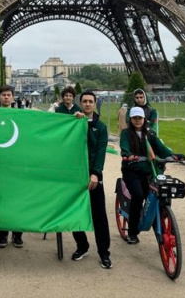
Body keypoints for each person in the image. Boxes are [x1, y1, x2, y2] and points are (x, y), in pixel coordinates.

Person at [120, 107, 179, 245]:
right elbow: (124, 147)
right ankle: (132, 232)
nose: (137, 121)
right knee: (138, 196)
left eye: (139, 118)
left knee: (156, 196)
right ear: (130, 119)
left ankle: (162, 229)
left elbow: (161, 148)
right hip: (132, 171)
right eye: (134, 118)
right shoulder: (126, 134)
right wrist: (128, 155)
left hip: (149, 171)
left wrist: (173, 156)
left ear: (144, 119)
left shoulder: (150, 134)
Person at [71, 90, 112, 269]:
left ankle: (104, 252)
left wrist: (96, 173)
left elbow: (101, 152)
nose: (87, 104)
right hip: (75, 174)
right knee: (74, 211)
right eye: (85, 101)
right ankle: (82, 245)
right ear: (81, 103)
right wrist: (74, 122)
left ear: (95, 104)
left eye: (90, 101)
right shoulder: (74, 122)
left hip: (93, 174)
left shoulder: (101, 127)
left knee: (99, 215)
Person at [0, 85, 25, 249]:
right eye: (4, 95)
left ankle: (17, 233)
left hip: (16, 164)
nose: (6, 97)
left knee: (16, 199)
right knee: (1, 199)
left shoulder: (21, 115)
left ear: (13, 98)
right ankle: (2, 234)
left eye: (9, 95)